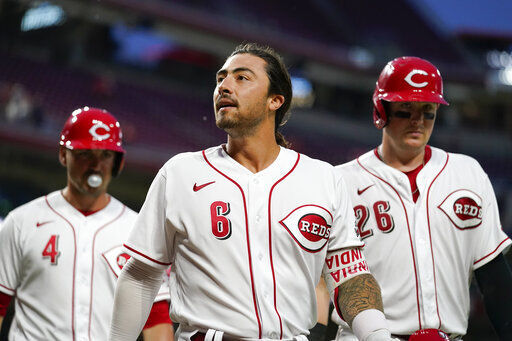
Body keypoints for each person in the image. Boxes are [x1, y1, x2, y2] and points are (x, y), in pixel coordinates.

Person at [109, 43, 398, 341]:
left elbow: (350, 276)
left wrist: (377, 335)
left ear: (275, 100)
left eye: (241, 77)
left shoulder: (323, 178)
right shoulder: (181, 173)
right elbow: (142, 275)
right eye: (221, 78)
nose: (224, 86)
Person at [332, 56, 512, 340]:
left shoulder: (466, 173)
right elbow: (319, 280)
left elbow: (492, 276)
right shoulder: (340, 181)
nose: (418, 121)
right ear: (382, 110)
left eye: (428, 110)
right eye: (405, 109)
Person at [0, 107, 174, 340]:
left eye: (105, 155)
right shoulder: (21, 222)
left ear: (118, 164)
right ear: (64, 155)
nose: (95, 165)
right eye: (85, 153)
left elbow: (157, 321)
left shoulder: (138, 231)